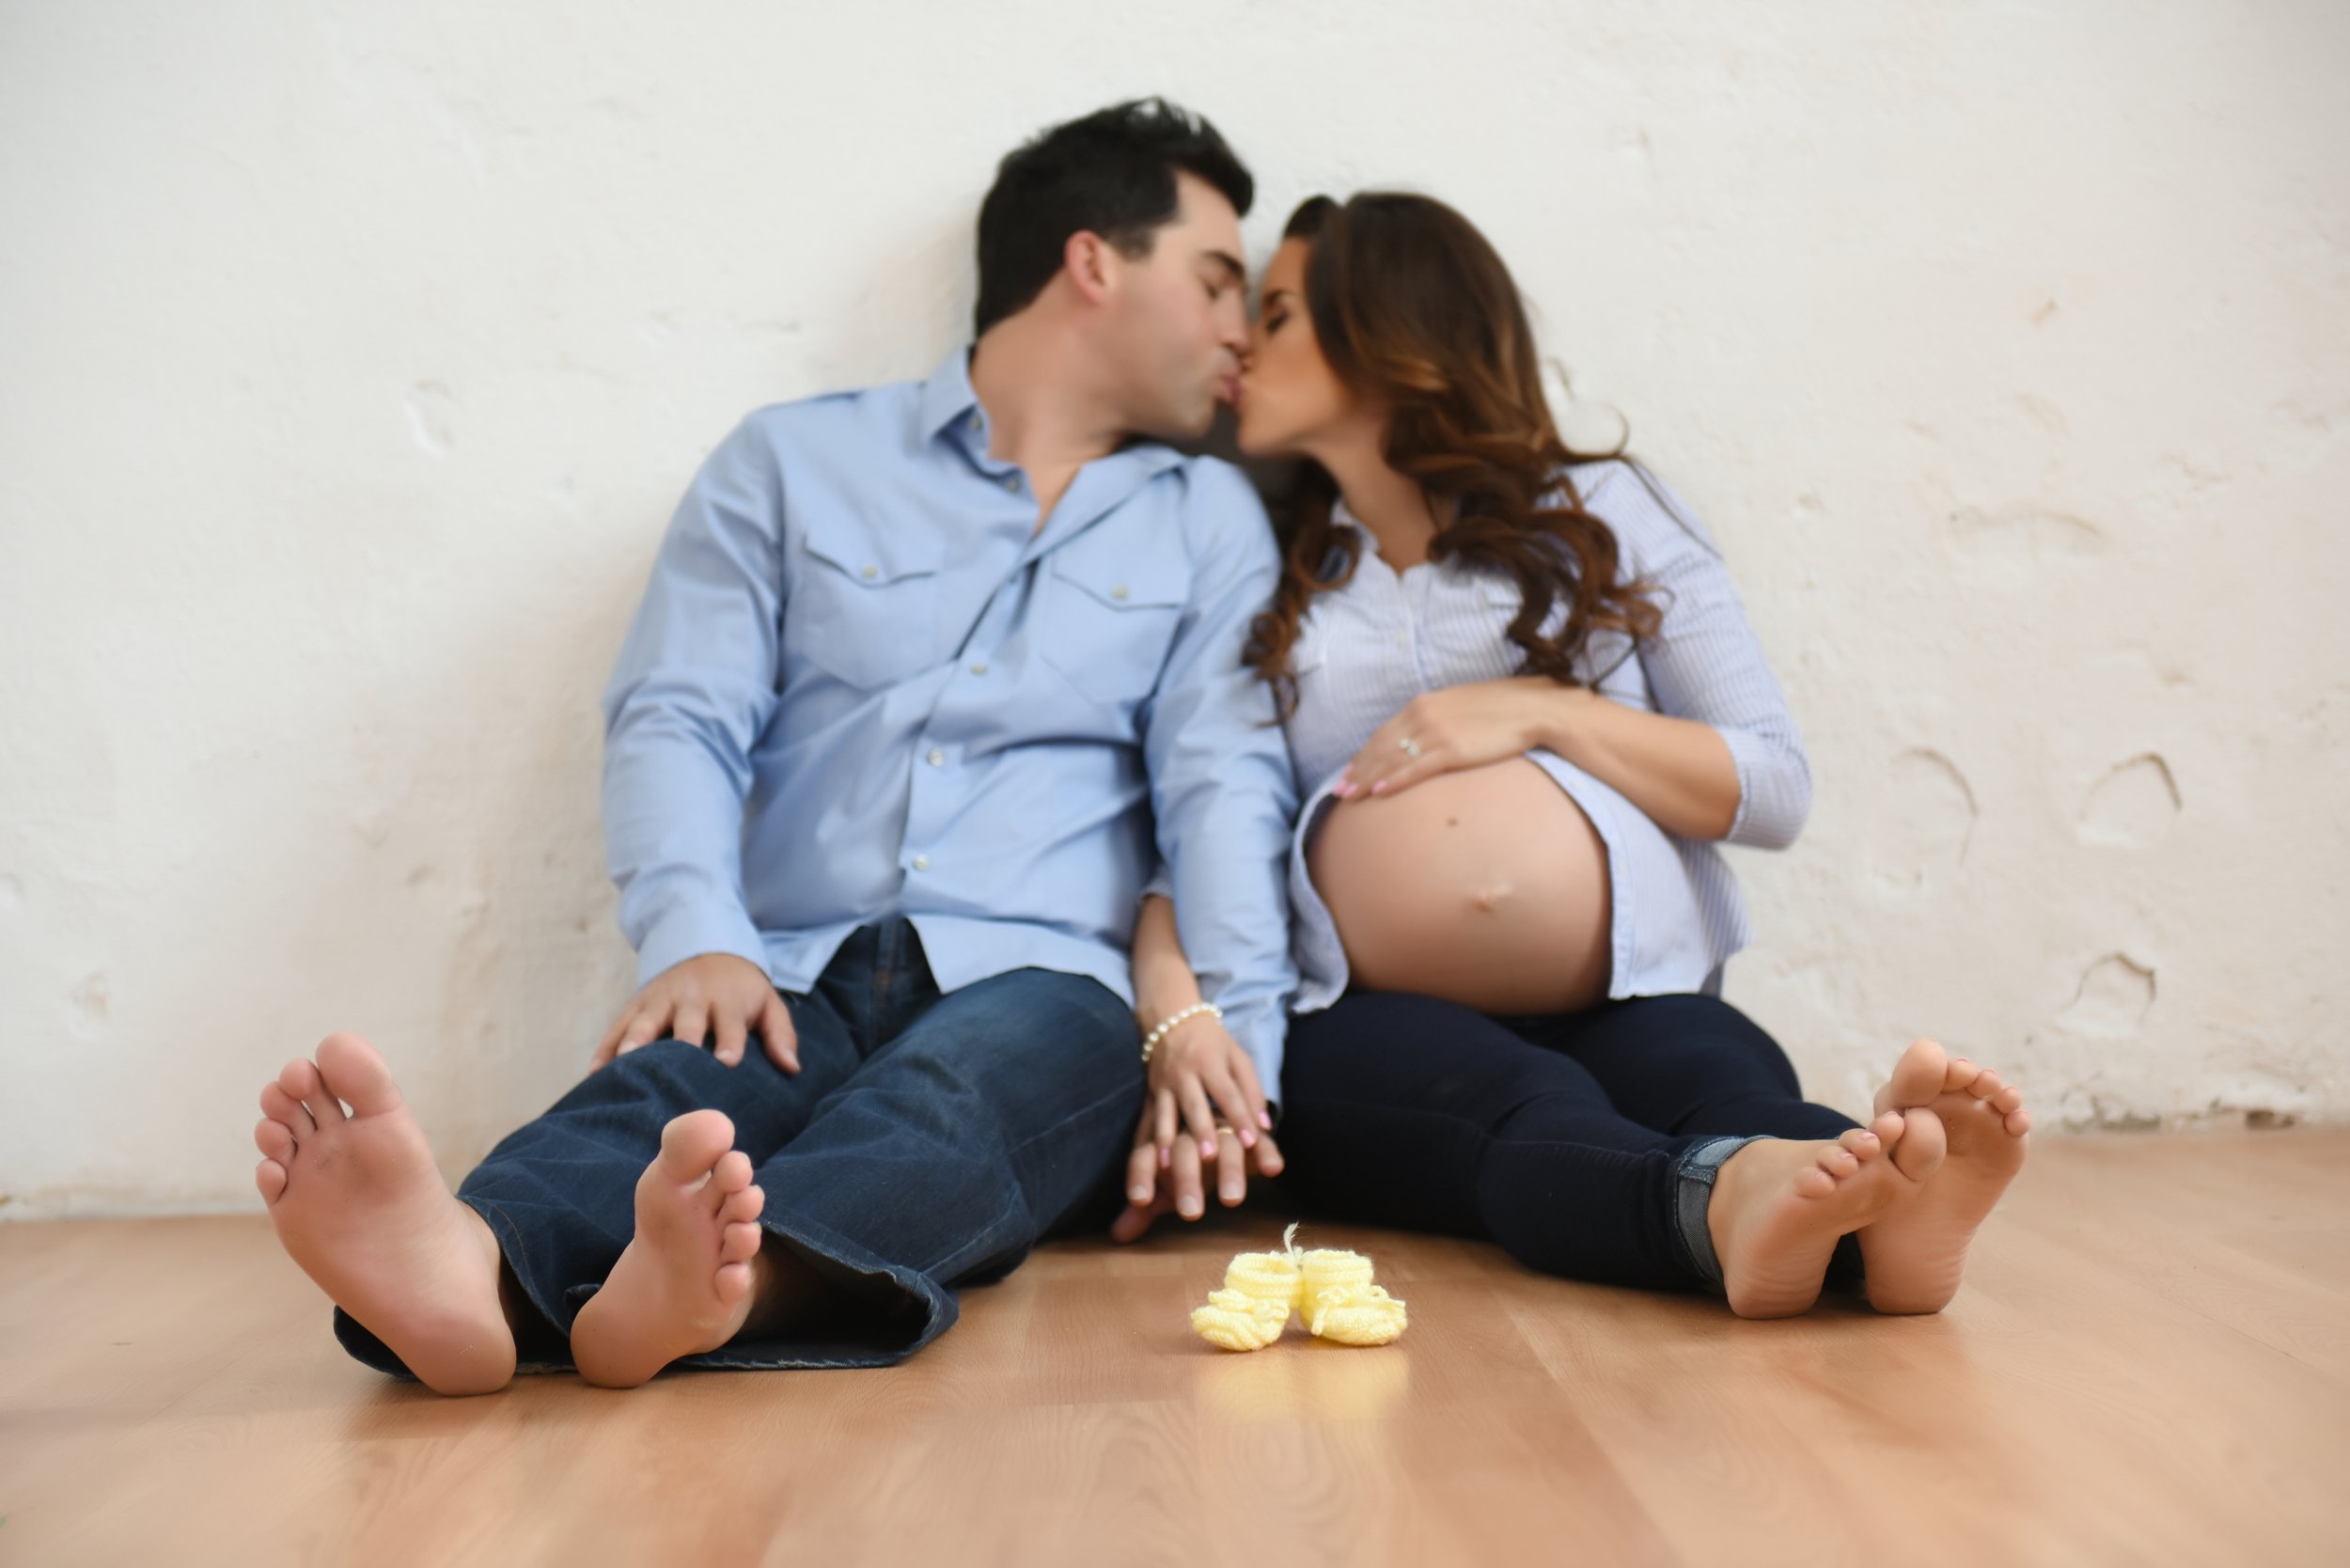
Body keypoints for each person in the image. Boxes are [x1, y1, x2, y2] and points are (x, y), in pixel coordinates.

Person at [247, 99, 1299, 1393]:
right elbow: (679, 712)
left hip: (1048, 981)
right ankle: (466, 1268)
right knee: (664, 1091)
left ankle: (739, 1287)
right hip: (788, 962)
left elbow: (1223, 787)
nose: (1241, 329)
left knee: (956, 1106)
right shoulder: (791, 462)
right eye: (1215, 283)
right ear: (1095, 263)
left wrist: (1236, 1061)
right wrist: (699, 930)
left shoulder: (1208, 522)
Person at [1114, 192, 2029, 1318]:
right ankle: (1738, 1210)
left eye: (1284, 311)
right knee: (1518, 1106)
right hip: (1361, 1009)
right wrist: (1171, 999)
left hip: (1627, 983)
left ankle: (1887, 1210)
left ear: (1390, 331)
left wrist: (1546, 712)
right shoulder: (1271, 570)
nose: (1247, 340)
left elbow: (1772, 787)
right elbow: (1214, 823)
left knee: (1717, 1072)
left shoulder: (1604, 511)